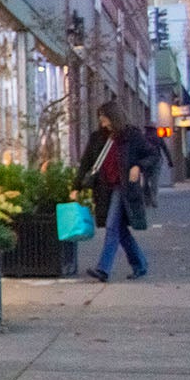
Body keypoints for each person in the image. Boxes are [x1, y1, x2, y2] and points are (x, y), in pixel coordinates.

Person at [75, 100, 155, 281]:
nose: (102, 122)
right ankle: (140, 264)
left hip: (123, 188)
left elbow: (152, 155)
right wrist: (76, 186)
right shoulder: (98, 138)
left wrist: (138, 166)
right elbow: (86, 163)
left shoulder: (132, 136)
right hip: (104, 189)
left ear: (114, 117)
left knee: (112, 226)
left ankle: (103, 269)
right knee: (119, 229)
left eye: (104, 119)